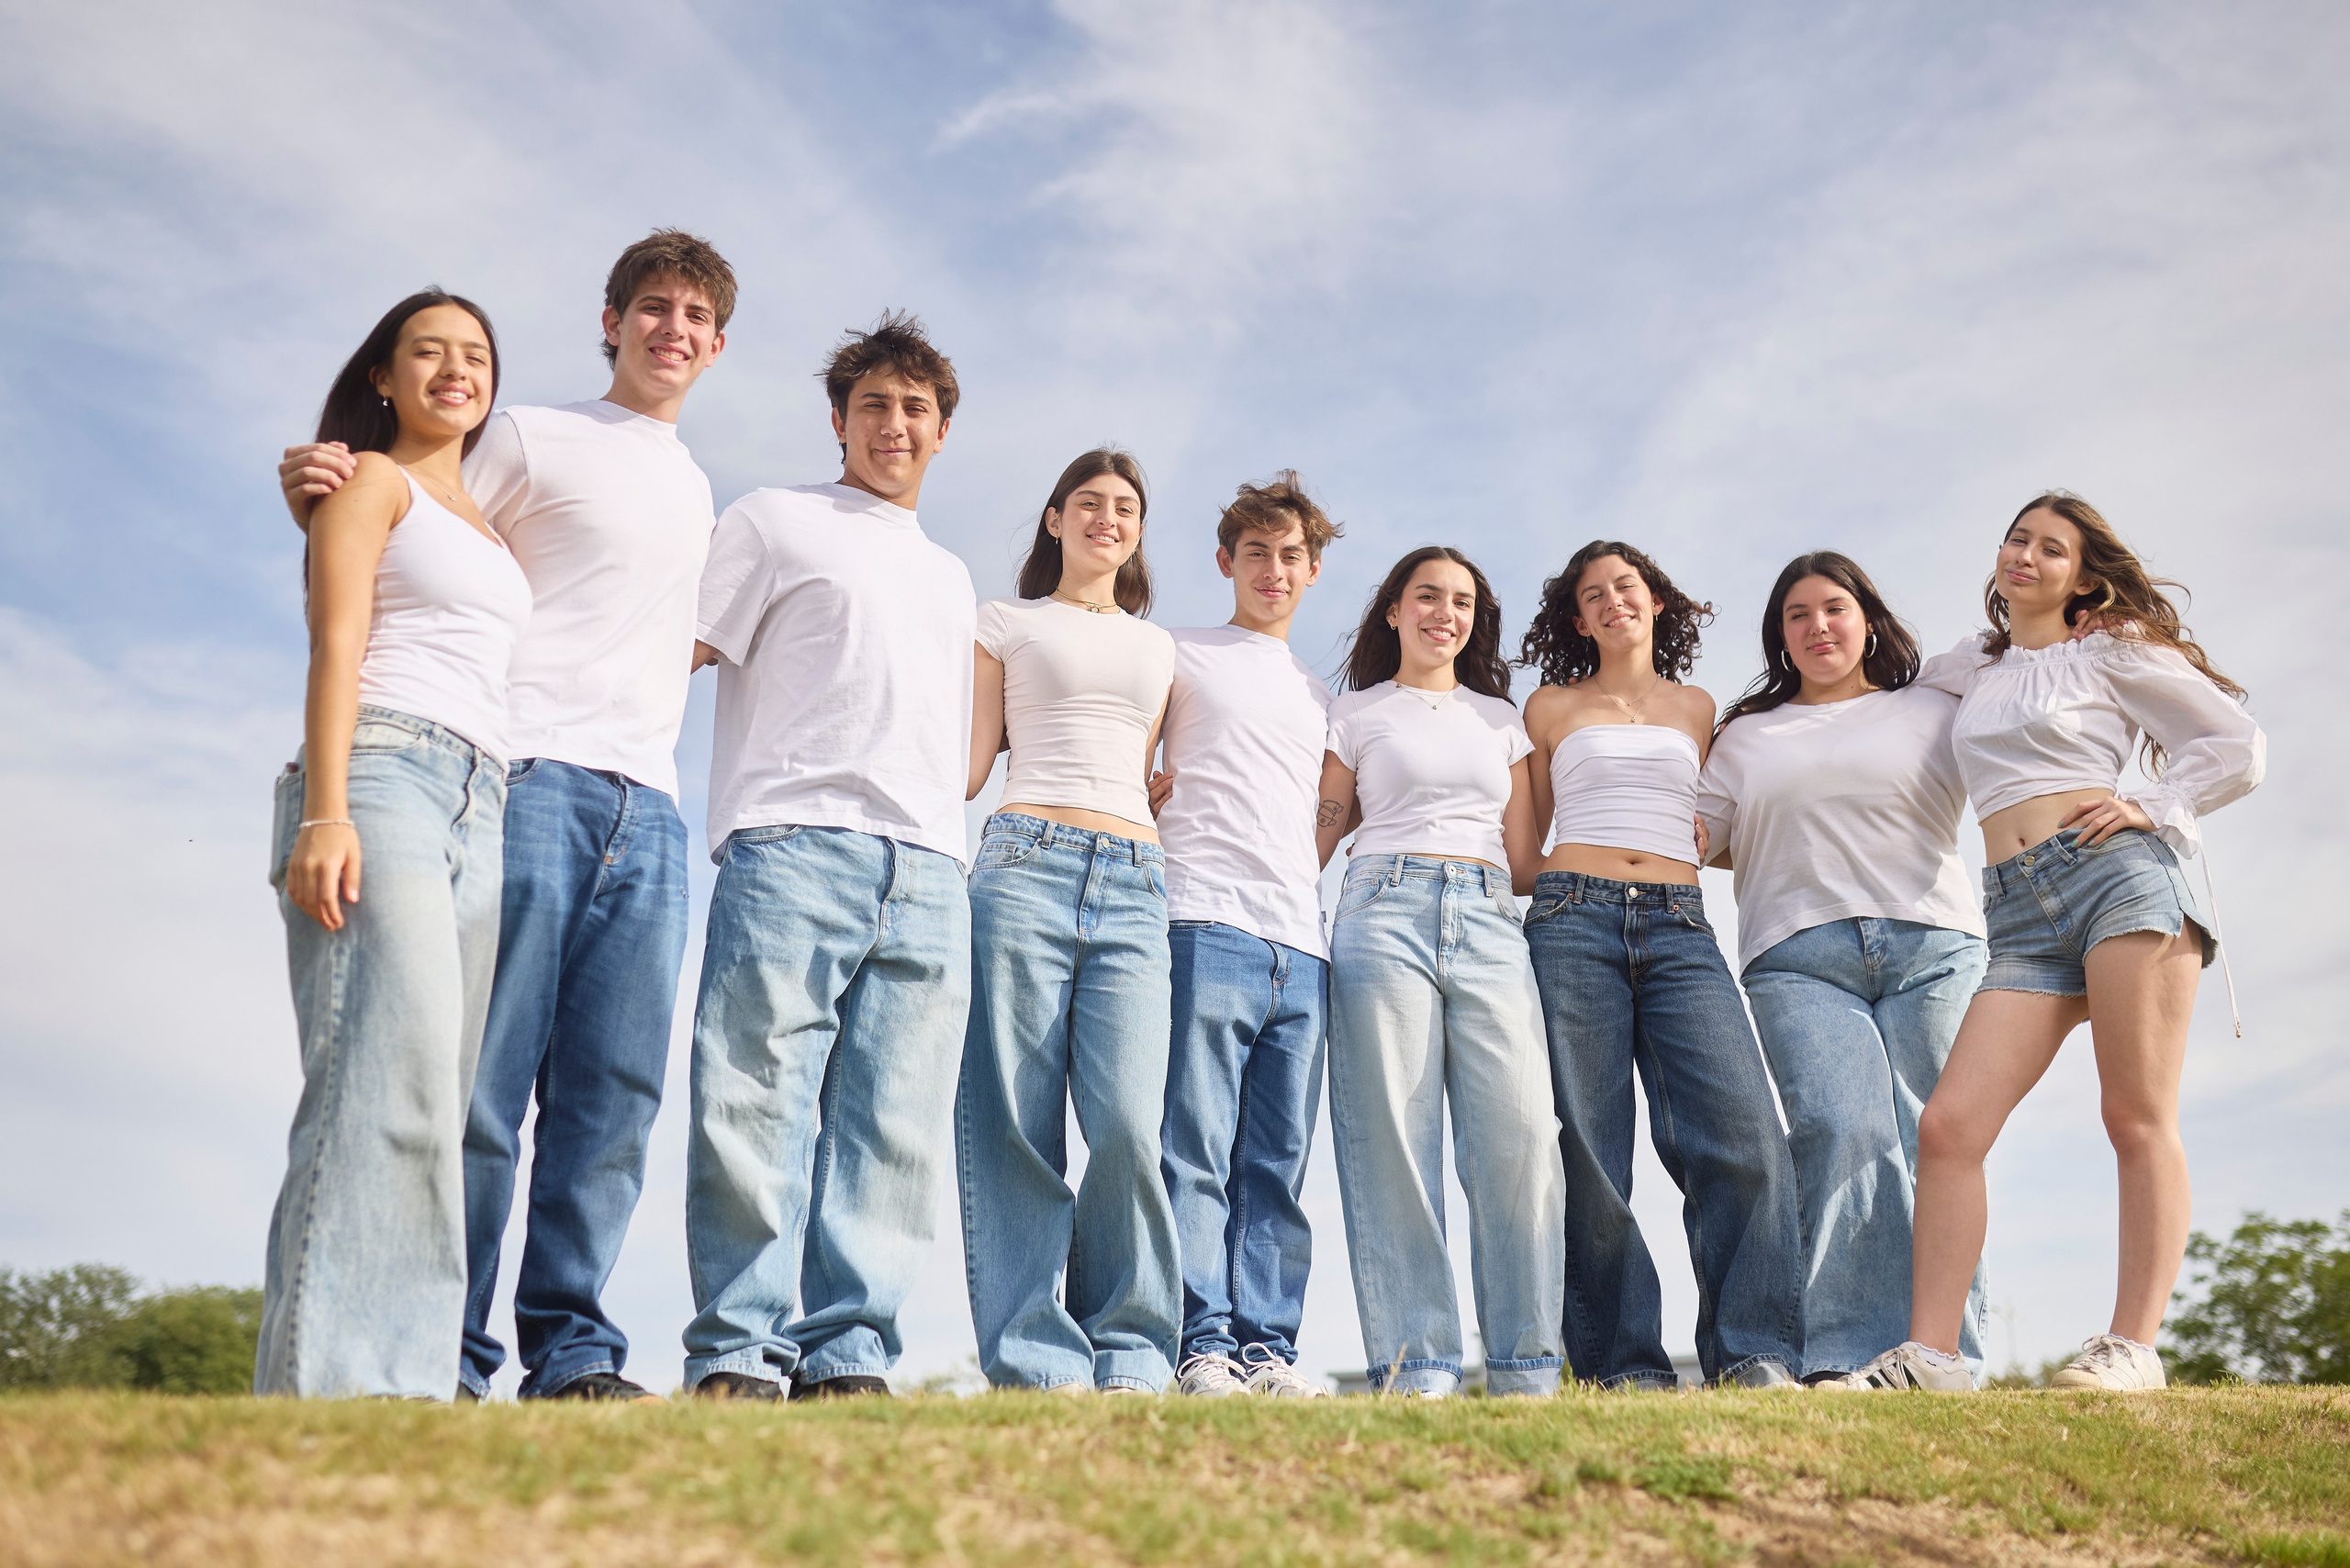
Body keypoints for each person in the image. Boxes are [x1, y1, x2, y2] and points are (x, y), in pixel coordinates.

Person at [280, 230, 736, 1402]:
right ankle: (451, 1352)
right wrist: (318, 492)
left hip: (653, 805)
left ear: (717, 344)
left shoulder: (696, 486)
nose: (670, 331)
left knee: (613, 1094)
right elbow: (415, 535)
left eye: (693, 316)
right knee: (477, 1084)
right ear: (611, 321)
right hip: (522, 776)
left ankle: (571, 1350)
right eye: (651, 309)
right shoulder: (529, 433)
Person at [1854, 493, 2263, 1393]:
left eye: (2049, 548)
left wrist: (2149, 805)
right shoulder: (1976, 666)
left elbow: (2236, 745)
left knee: (2134, 1113)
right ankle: (1931, 1359)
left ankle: (2131, 1348)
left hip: (2118, 881)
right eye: (2016, 539)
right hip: (2017, 916)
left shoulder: (2112, 648)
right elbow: (1888, 703)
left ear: (2083, 576)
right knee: (1950, 1125)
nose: (2025, 556)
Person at [682, 313, 975, 1400]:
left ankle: (847, 1352)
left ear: (941, 431)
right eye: (873, 406)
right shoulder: (771, 519)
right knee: (754, 1101)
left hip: (929, 866)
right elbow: (681, 644)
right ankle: (739, 1350)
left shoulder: (949, 575)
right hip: (792, 843)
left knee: (890, 1127)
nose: (893, 425)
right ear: (839, 420)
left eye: (914, 408)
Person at [256, 290, 532, 1398]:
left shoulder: (492, 529)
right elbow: (335, 647)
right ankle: (332, 1387)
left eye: (474, 355)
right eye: (429, 351)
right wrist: (327, 811)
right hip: (382, 774)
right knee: (374, 1082)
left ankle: (405, 1387)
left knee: (432, 1100)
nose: (455, 369)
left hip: (484, 797)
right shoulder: (369, 482)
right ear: (384, 374)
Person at [1517, 540, 1804, 1391]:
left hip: (1682, 927)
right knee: (1590, 1151)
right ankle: (1624, 1368)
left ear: (1657, 603)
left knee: (1746, 1133)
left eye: (1627, 587)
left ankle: (1754, 1354)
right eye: (1594, 594)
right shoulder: (1548, 708)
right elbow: (1524, 847)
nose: (1613, 602)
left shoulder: (1699, 708)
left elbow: (1721, 819)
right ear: (1578, 619)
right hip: (1571, 919)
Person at [1696, 552, 1988, 1384]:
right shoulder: (1746, 737)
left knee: (1940, 1143)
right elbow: (1698, 836)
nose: (1817, 626)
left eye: (1833, 608)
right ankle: (1848, 1355)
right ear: (1780, 637)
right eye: (1797, 615)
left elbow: (2018, 680)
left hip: (1934, 947)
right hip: (1798, 956)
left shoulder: (1929, 705)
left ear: (1867, 618)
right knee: (1839, 1131)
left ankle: (1943, 1357)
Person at [1314, 546, 1567, 1398]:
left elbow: (1527, 859)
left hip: (1493, 917)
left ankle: (1528, 1367)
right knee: (1394, 1139)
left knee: (1524, 1138)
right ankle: (1418, 1363)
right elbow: (1318, 833)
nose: (1443, 614)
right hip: (1382, 910)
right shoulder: (1354, 712)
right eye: (1427, 597)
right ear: (1394, 611)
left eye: (1461, 602)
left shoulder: (1502, 721)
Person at [957, 449, 1181, 1394]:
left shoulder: (1159, 646)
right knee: (1014, 1122)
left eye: (1124, 506)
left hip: (1134, 872)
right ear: (1054, 519)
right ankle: (1034, 1360)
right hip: (1022, 864)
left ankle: (1129, 1348)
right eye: (1087, 502)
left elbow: (1156, 773)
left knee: (1129, 1123)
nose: (1106, 518)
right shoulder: (1004, 622)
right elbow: (966, 769)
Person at [1148, 473, 1343, 1399]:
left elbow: (1330, 815)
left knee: (1274, 1162)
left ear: (1312, 573)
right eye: (1256, 552)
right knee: (1194, 1145)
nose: (1273, 568)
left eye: (1291, 555)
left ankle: (1268, 1349)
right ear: (1226, 562)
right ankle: (1200, 1342)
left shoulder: (1323, 697)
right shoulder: (1180, 651)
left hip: (1300, 947)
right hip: (1203, 922)